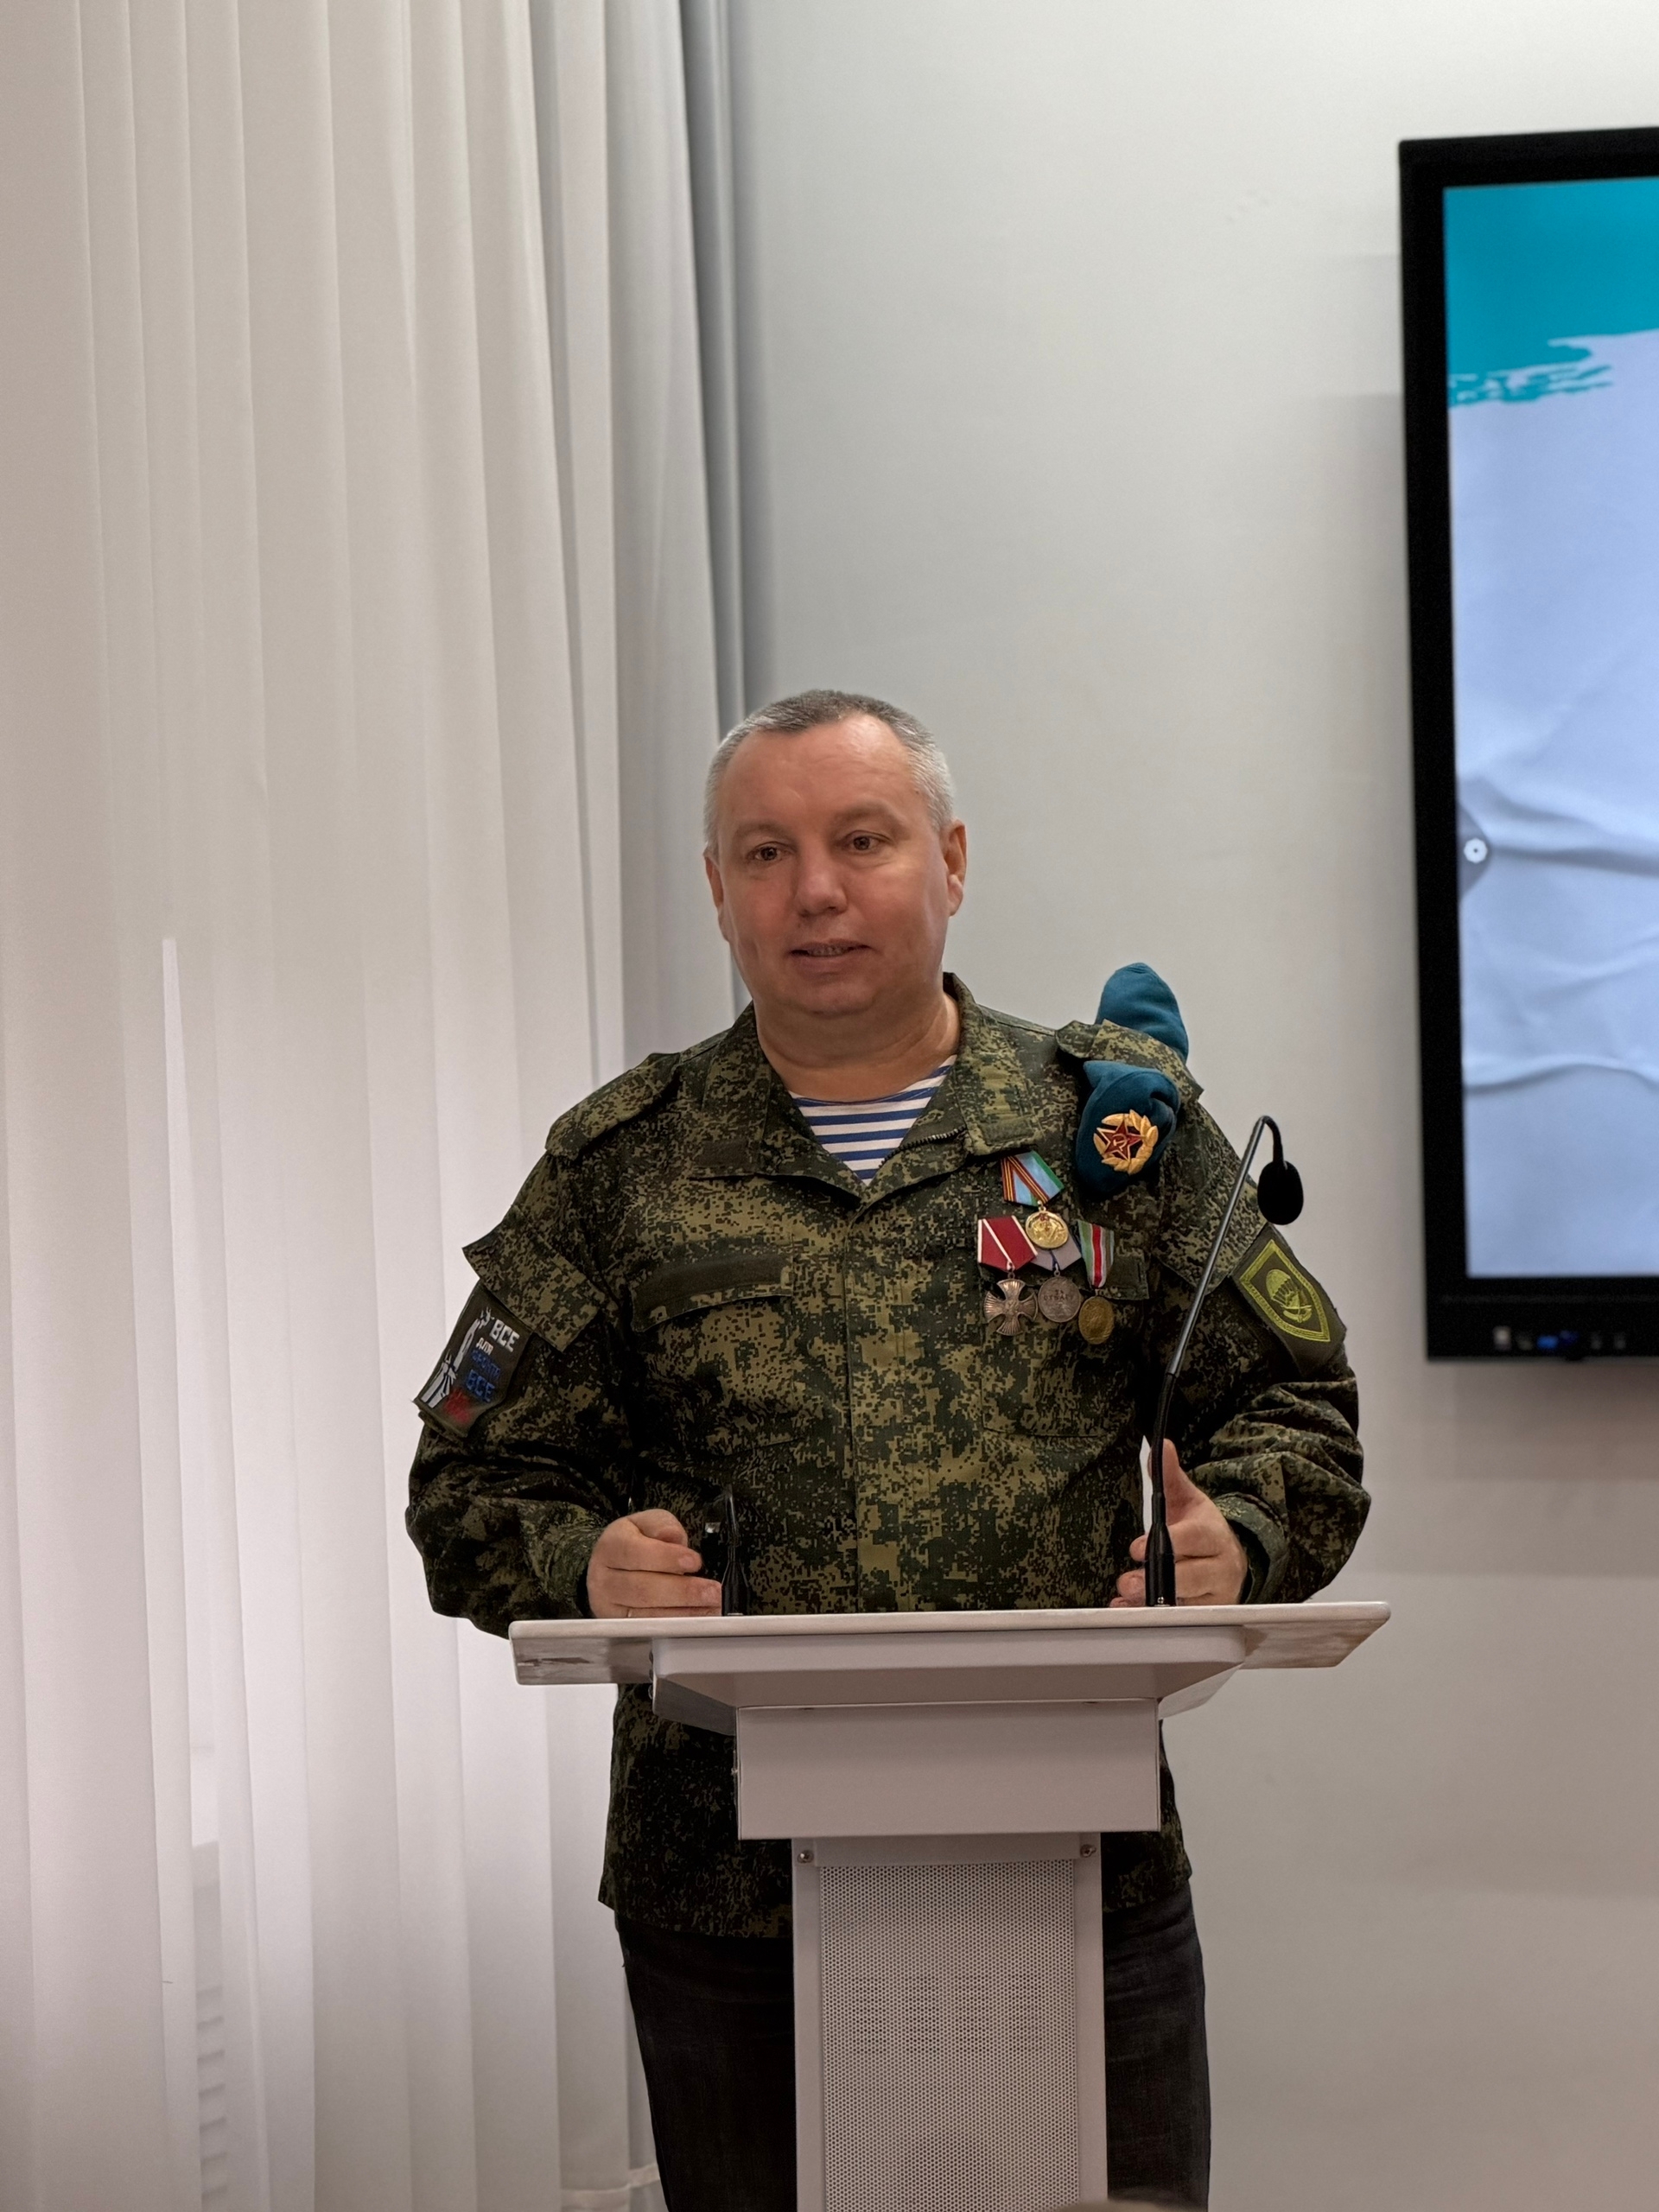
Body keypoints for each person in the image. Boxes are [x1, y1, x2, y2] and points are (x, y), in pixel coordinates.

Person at [407, 690, 1369, 2212]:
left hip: (1076, 1857)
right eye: (766, 852)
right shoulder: (620, 1168)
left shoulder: (1116, 1136)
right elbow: (468, 1478)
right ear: (716, 887)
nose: (817, 891)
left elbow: (1299, 1409)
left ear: (952, 860)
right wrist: (578, 1561)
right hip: (727, 1897)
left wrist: (1239, 1535)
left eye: (863, 840)